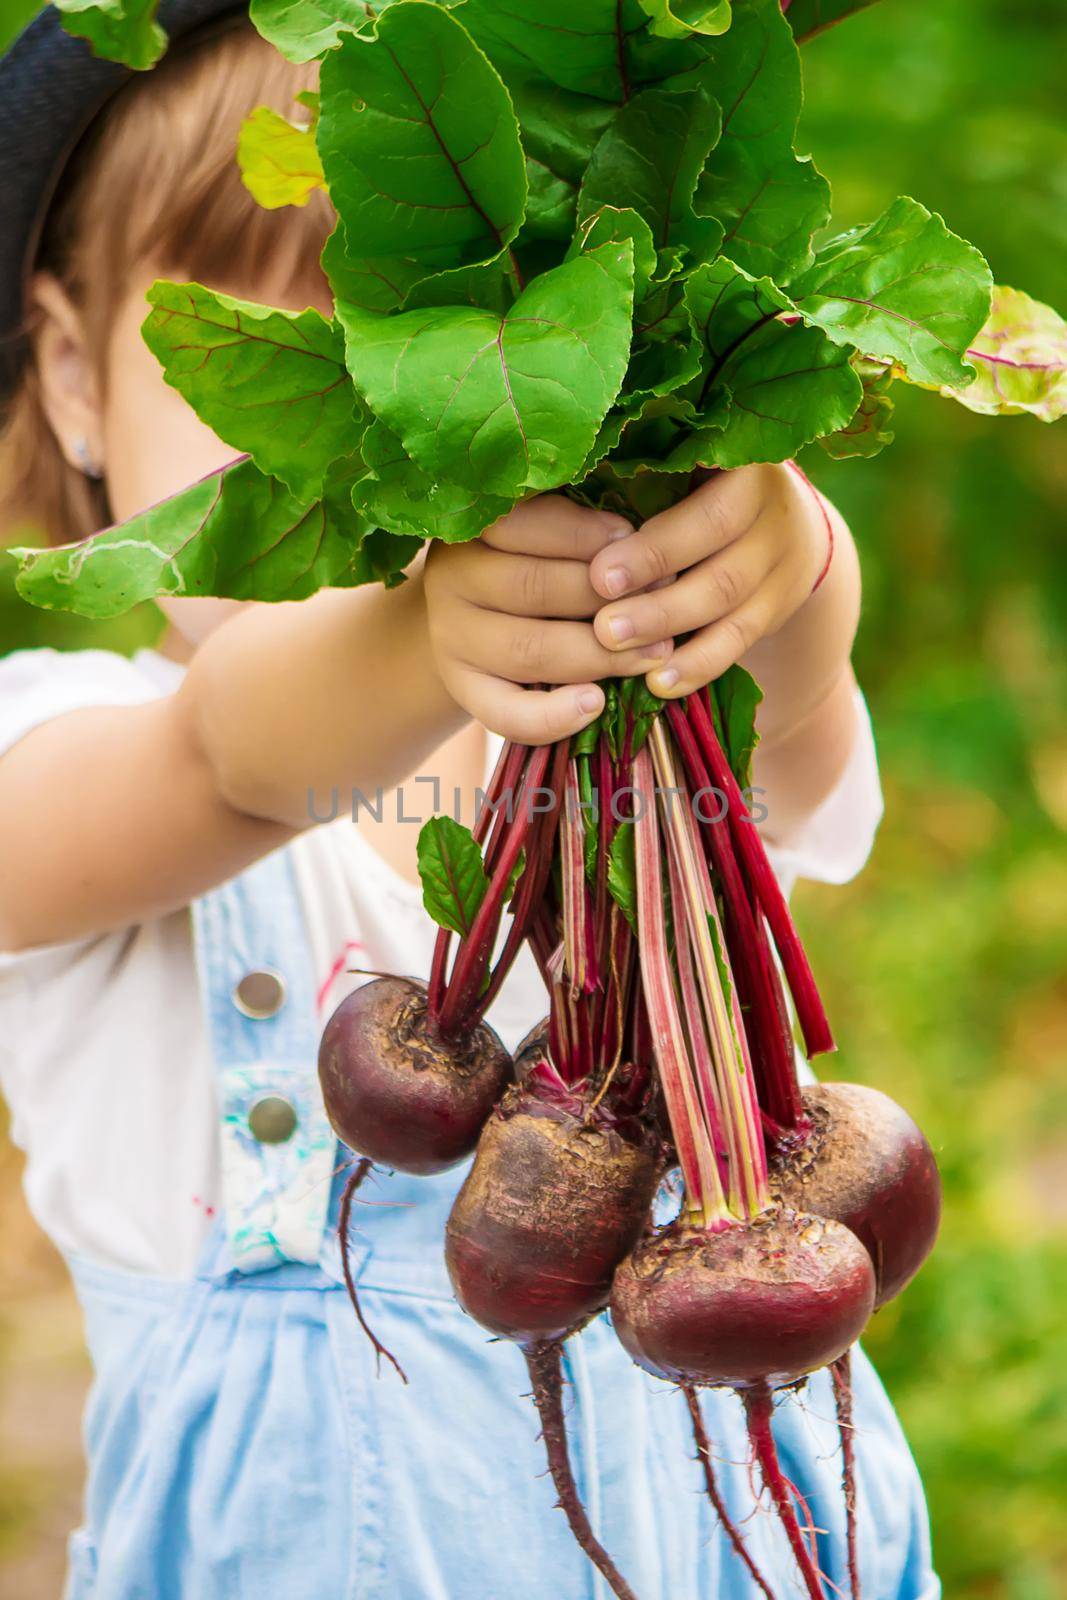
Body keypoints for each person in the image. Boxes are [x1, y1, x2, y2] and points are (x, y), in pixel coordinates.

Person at [0, 7, 938, 1598]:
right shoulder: (62, 747)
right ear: (79, 379)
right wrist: (429, 632)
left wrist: (773, 559)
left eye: (443, 359)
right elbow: (226, 761)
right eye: (314, 344)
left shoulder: (626, 741)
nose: (399, 444)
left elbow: (795, 742)